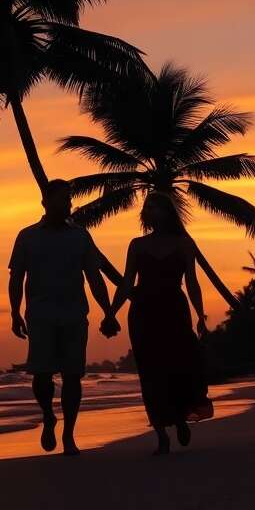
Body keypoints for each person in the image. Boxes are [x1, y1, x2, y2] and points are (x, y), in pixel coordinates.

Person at [8, 179, 117, 455]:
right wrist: (14, 313)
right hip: (40, 317)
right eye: (63, 199)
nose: (68, 204)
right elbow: (16, 278)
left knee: (72, 376)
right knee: (42, 375)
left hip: (74, 315)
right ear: (46, 202)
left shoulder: (80, 236)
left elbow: (94, 277)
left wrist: (108, 311)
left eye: (69, 199)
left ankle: (69, 434)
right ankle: (48, 415)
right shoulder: (27, 236)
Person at [104, 192, 214, 455]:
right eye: (147, 207)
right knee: (151, 373)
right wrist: (111, 312)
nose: (150, 211)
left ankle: (179, 419)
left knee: (179, 367)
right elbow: (128, 281)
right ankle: (161, 434)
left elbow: (192, 282)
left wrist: (200, 315)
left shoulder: (184, 244)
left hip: (174, 310)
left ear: (167, 211)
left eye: (155, 207)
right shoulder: (137, 245)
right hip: (143, 312)